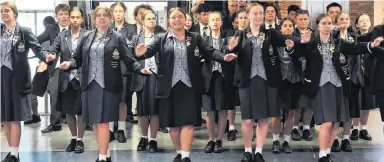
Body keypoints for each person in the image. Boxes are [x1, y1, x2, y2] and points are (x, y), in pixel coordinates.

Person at [135, 7, 237, 162]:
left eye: (180, 17)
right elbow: (147, 52)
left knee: (188, 122)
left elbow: (210, 51)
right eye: (174, 17)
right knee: (173, 125)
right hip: (168, 87)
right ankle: (179, 151)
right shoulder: (161, 38)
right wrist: (140, 52)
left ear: (185, 20)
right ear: (169, 20)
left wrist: (224, 57)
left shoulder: (194, 37)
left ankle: (186, 156)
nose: (177, 20)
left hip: (189, 86)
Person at [58, 5, 151, 162]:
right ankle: (106, 153)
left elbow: (129, 60)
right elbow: (77, 58)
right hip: (89, 85)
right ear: (94, 20)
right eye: (99, 15)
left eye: (105, 15)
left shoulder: (117, 38)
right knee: (95, 121)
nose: (102, 18)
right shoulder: (87, 37)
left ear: (110, 19)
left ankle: (101, 157)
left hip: (108, 86)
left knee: (102, 123)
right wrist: (69, 64)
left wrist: (140, 68)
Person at [291, 13, 382, 162]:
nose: (327, 26)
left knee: (335, 122)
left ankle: (327, 151)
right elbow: (297, 55)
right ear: (318, 26)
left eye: (329, 23)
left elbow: (355, 48)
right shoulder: (311, 43)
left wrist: (371, 45)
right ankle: (321, 154)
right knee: (326, 122)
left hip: (339, 85)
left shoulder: (338, 42)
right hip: (320, 86)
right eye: (324, 23)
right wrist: (302, 43)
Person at [227, 3, 301, 162]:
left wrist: (301, 39)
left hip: (267, 80)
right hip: (247, 81)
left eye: (262, 13)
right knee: (247, 119)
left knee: (263, 118)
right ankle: (247, 151)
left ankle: (259, 151)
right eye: (256, 13)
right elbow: (232, 52)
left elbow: (287, 38)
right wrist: (230, 49)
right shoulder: (240, 35)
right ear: (248, 15)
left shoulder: (270, 33)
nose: (259, 16)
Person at [1, 1, 56, 161]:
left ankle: (14, 153)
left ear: (14, 13)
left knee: (15, 117)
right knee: (4, 117)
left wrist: (46, 57)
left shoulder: (24, 32)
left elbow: (37, 49)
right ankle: (12, 153)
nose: (4, 14)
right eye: (1, 11)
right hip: (1, 76)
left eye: (6, 11)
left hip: (18, 78)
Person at [48, 7, 87, 154]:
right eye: (73, 17)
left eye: (78, 17)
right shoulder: (62, 35)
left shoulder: (88, 35)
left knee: (81, 112)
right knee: (69, 112)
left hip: (83, 78)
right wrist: (50, 56)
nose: (75, 19)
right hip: (66, 78)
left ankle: (81, 140)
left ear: (82, 19)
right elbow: (53, 49)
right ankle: (73, 137)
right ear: (70, 19)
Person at [129, 9, 164, 153]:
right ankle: (144, 137)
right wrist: (138, 67)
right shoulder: (136, 38)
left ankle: (153, 139)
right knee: (142, 110)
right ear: (142, 22)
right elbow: (130, 57)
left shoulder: (161, 36)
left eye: (153, 18)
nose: (152, 21)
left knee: (154, 109)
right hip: (141, 75)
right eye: (148, 19)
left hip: (156, 76)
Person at [202, 11, 235, 154]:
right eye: (212, 20)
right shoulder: (203, 39)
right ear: (208, 23)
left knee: (222, 110)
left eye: (218, 20)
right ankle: (211, 139)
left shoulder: (227, 38)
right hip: (208, 77)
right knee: (209, 110)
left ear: (221, 22)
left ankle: (220, 139)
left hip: (223, 77)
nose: (215, 22)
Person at [38, 4, 70, 134]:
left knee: (78, 95)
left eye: (65, 14)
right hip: (56, 68)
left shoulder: (76, 28)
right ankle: (55, 124)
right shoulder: (51, 29)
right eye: (60, 14)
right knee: (54, 95)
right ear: (56, 16)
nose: (63, 17)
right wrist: (43, 57)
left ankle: (86, 122)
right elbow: (35, 41)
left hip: (72, 66)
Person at [270, 18, 301, 154]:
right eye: (285, 26)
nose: (287, 28)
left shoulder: (298, 42)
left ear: (293, 28)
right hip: (278, 81)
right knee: (276, 114)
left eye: (290, 26)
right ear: (280, 28)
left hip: (294, 80)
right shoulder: (275, 43)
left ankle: (286, 141)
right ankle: (276, 140)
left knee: (291, 112)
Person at [291, 9, 315, 142]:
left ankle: (306, 128)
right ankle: (294, 128)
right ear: (295, 20)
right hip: (295, 72)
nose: (303, 21)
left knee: (309, 103)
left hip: (311, 72)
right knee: (297, 103)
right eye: (300, 19)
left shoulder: (314, 34)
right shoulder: (292, 34)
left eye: (305, 19)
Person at [349, 13, 374, 141]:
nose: (364, 23)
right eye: (361, 21)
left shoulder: (375, 39)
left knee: (367, 103)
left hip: (370, 75)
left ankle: (364, 128)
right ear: (357, 24)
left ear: (370, 24)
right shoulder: (353, 38)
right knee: (356, 103)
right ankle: (355, 128)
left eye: (367, 21)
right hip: (355, 75)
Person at [109, 1, 130, 143]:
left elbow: (130, 47)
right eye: (115, 11)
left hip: (124, 68)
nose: (118, 14)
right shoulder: (107, 28)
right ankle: (110, 130)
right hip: (109, 69)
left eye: (120, 11)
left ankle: (121, 129)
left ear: (124, 12)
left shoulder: (131, 29)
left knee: (123, 100)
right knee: (110, 100)